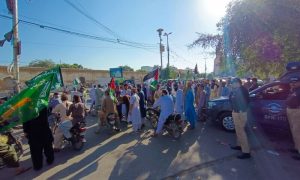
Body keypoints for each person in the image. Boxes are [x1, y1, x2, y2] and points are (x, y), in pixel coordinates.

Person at [229, 78, 251, 159]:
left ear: (238, 83)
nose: (232, 84)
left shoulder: (243, 90)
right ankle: (239, 145)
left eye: (233, 83)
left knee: (241, 131)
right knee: (238, 130)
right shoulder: (234, 90)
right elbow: (230, 99)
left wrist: (242, 109)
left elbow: (247, 101)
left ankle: (246, 152)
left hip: (240, 113)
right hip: (235, 112)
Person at [286, 76, 300, 160]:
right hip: (291, 110)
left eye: (295, 82)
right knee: (293, 131)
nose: (293, 83)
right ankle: (297, 148)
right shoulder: (293, 90)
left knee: (297, 132)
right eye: (291, 82)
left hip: (297, 112)